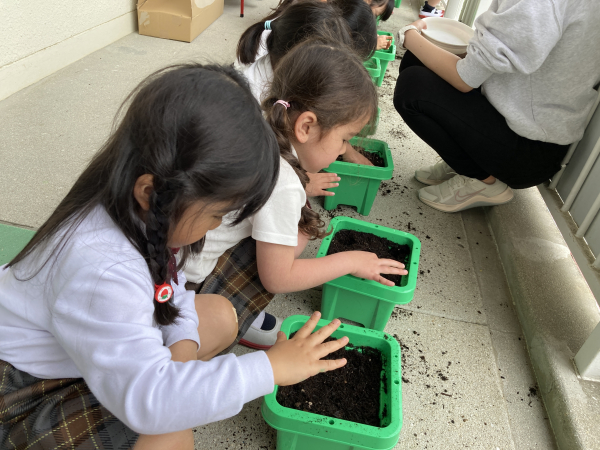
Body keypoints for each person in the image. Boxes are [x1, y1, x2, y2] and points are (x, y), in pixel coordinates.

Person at [0, 64, 350, 450]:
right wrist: (270, 368)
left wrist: (181, 353)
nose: (217, 226)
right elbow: (150, 404)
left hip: (84, 346)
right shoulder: (103, 268)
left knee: (218, 316)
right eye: (218, 214)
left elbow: (173, 286)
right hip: (22, 386)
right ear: (152, 192)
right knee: (170, 434)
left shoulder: (142, 215)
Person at [184, 41, 408, 349]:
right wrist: (351, 261)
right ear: (306, 126)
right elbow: (278, 278)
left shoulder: (258, 127)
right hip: (181, 282)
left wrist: (303, 185)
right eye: (344, 139)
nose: (344, 150)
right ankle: (215, 326)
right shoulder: (284, 182)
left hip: (172, 246)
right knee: (299, 237)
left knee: (298, 230)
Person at [393, 0, 600, 213]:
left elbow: (464, 79)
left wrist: (407, 35)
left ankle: (484, 180)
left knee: (414, 85)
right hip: (515, 118)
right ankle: (466, 159)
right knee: (418, 60)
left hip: (528, 149)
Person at [237, 1, 377, 196]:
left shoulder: (279, 77)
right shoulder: (251, 113)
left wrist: (345, 147)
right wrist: (300, 183)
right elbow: (248, 180)